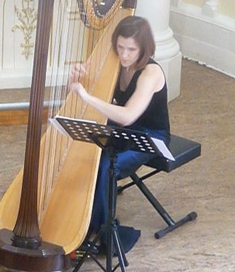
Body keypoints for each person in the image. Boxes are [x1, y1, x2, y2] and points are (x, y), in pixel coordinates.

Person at [68, 15, 170, 254]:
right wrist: (77, 79)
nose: (124, 55)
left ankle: (100, 232)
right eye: (120, 47)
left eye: (131, 50)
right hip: (125, 129)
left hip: (150, 135)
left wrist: (86, 96)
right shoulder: (116, 63)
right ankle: (76, 218)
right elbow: (90, 90)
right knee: (87, 150)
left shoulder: (150, 73)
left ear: (144, 48)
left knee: (105, 166)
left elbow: (127, 116)